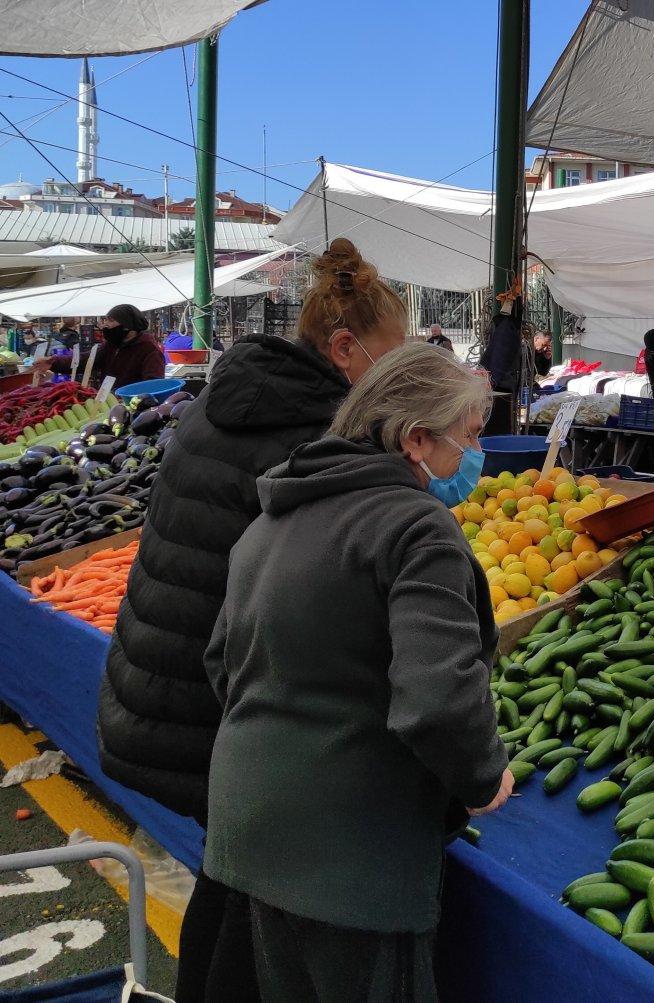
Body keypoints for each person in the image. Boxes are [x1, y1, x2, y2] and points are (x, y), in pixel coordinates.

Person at [96, 237, 407, 1003]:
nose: (399, 382)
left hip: (158, 683)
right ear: (343, 348)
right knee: (251, 902)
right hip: (214, 708)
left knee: (227, 879)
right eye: (392, 362)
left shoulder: (230, 398)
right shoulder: (308, 436)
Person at [204, 342, 512, 1001]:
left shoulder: (273, 516)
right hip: (351, 861)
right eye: (470, 437)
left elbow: (221, 664)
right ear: (416, 439)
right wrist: (485, 775)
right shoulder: (416, 526)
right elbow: (438, 698)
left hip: (251, 832)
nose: (475, 458)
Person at [36, 304, 164, 388]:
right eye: (105, 320)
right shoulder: (112, 345)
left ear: (127, 325)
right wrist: (53, 362)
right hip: (106, 403)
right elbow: (86, 360)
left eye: (111, 320)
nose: (105, 325)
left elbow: (153, 385)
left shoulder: (149, 349)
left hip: (131, 408)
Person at [480, 296, 522, 435]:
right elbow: (499, 358)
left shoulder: (503, 330)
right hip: (501, 388)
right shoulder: (506, 331)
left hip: (500, 387)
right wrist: (492, 382)